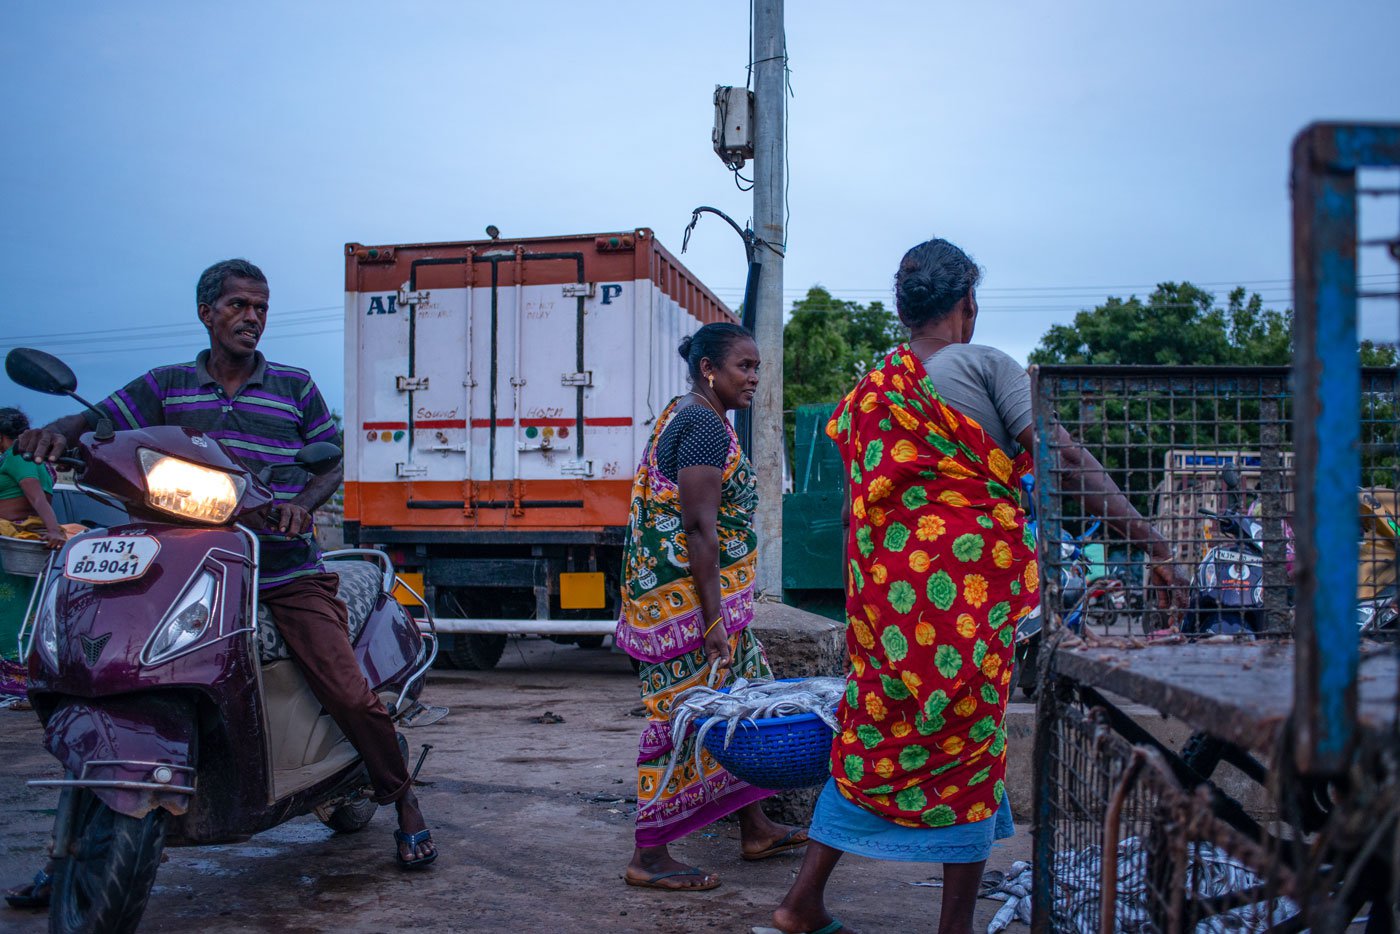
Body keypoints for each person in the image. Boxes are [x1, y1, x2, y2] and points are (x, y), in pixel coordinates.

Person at [769, 239, 1184, 934]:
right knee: (967, 751)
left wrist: (870, 607)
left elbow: (856, 512)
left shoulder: (873, 390)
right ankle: (951, 928)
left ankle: (801, 902)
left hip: (887, 609)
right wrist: (1156, 543)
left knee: (873, 740)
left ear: (904, 309)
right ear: (968, 304)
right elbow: (1065, 459)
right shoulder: (989, 365)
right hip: (964, 609)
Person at [15, 258, 436, 874]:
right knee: (101, 666)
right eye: (239, 305)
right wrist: (58, 429)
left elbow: (331, 460)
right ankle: (66, 859)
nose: (252, 318)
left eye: (261, 308)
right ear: (206, 312)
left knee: (347, 689)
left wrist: (299, 505)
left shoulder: (294, 386)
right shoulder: (165, 384)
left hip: (281, 567)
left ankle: (404, 803)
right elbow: (99, 419)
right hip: (185, 566)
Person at [616, 322, 809, 891]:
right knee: (683, 722)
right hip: (688, 614)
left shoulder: (693, 414)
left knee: (740, 705)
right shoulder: (701, 425)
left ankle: (754, 826)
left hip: (705, 606)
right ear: (709, 370)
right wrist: (714, 622)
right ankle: (648, 856)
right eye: (744, 367)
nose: (754, 377)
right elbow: (699, 530)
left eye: (756, 367)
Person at [0, 408, 67, 549]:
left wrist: (54, 531)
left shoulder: (17, 455)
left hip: (11, 538)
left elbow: (37, 496)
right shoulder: (32, 457)